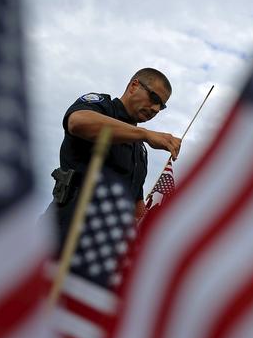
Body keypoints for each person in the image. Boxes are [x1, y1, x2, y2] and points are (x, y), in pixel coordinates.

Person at [45, 67, 181, 246]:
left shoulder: (139, 149)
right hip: (65, 233)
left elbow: (136, 205)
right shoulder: (102, 106)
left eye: (161, 106)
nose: (155, 108)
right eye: (154, 98)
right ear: (134, 86)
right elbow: (77, 122)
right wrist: (145, 134)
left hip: (104, 246)